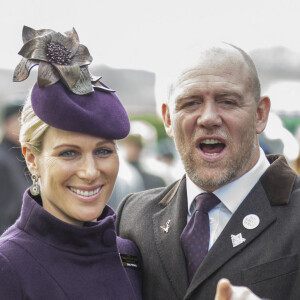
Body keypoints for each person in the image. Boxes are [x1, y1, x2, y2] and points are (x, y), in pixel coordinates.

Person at [116, 42, 300, 300]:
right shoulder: (133, 217)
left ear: (260, 114)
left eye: (227, 101)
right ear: (168, 119)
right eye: (191, 103)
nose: (209, 117)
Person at [0, 26, 142, 299]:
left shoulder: (130, 255)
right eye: (68, 153)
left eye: (103, 151)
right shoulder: (8, 266)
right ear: (32, 159)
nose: (90, 172)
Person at [0, 101, 29, 234]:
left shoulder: (24, 156)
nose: (25, 126)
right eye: (19, 120)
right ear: (6, 124)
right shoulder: (3, 159)